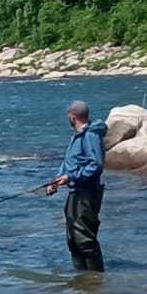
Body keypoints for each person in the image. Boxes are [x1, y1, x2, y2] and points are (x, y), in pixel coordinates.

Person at [46, 100, 108, 272]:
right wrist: (56, 181)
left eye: (68, 116)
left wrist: (71, 177)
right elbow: (70, 162)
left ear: (73, 117)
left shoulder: (90, 136)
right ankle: (81, 281)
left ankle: (96, 284)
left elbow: (96, 165)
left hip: (86, 193)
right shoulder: (77, 136)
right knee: (73, 240)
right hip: (75, 192)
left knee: (85, 240)